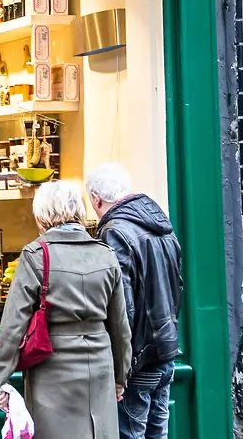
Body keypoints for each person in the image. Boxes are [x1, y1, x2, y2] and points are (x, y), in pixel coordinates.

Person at [0, 180, 131, 439]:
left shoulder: (36, 255)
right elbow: (120, 325)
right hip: (99, 365)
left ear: (42, 215)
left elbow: (13, 325)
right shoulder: (106, 254)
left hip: (52, 369)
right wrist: (121, 376)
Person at [86, 163, 183, 439]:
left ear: (96, 198)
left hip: (139, 359)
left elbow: (121, 307)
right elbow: (178, 288)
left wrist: (120, 367)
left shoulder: (114, 231)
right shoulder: (160, 224)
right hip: (165, 350)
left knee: (130, 434)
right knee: (157, 434)